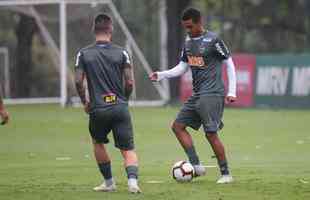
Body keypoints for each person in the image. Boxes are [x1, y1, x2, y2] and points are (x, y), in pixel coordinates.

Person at [149, 8, 237, 184]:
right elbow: (182, 67)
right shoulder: (188, 42)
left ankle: (226, 174)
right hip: (198, 94)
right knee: (177, 126)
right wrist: (161, 74)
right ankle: (196, 166)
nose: (188, 30)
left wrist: (232, 91)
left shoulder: (213, 40)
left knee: (210, 134)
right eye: (185, 27)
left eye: (190, 26)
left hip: (212, 93)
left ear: (199, 21)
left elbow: (229, 63)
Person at [75, 13, 141, 193]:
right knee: (128, 148)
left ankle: (109, 183)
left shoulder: (84, 53)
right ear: (110, 29)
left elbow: (78, 81)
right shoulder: (122, 52)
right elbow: (129, 82)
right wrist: (124, 100)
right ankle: (133, 183)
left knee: (98, 142)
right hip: (119, 107)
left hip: (98, 108)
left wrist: (85, 102)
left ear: (93, 30)